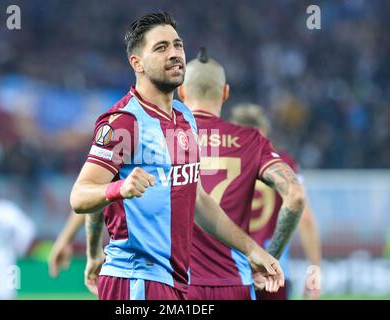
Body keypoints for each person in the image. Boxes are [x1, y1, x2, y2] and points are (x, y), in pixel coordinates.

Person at [69, 12, 284, 300]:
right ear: (137, 63)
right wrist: (119, 187)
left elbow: (198, 200)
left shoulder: (184, 116)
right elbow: (80, 196)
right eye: (161, 48)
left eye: (178, 45)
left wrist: (251, 250)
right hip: (137, 280)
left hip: (176, 282)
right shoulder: (125, 123)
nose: (174, 54)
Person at [176, 49, 305, 300]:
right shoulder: (251, 140)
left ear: (181, 92)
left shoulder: (164, 137)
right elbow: (296, 195)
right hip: (234, 284)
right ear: (225, 92)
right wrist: (269, 259)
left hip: (177, 284)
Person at [230, 103, 322, 300]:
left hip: (230, 271)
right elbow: (305, 219)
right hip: (274, 271)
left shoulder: (223, 163)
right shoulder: (284, 164)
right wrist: (314, 270)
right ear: (264, 132)